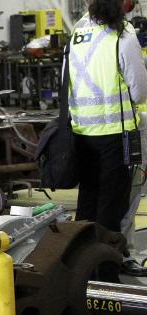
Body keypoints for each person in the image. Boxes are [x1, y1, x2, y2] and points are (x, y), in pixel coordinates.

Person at [68, 0, 147, 242]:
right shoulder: (123, 34)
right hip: (116, 133)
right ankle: (106, 269)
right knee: (112, 205)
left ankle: (81, 263)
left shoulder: (77, 33)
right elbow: (139, 91)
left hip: (82, 132)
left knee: (88, 200)